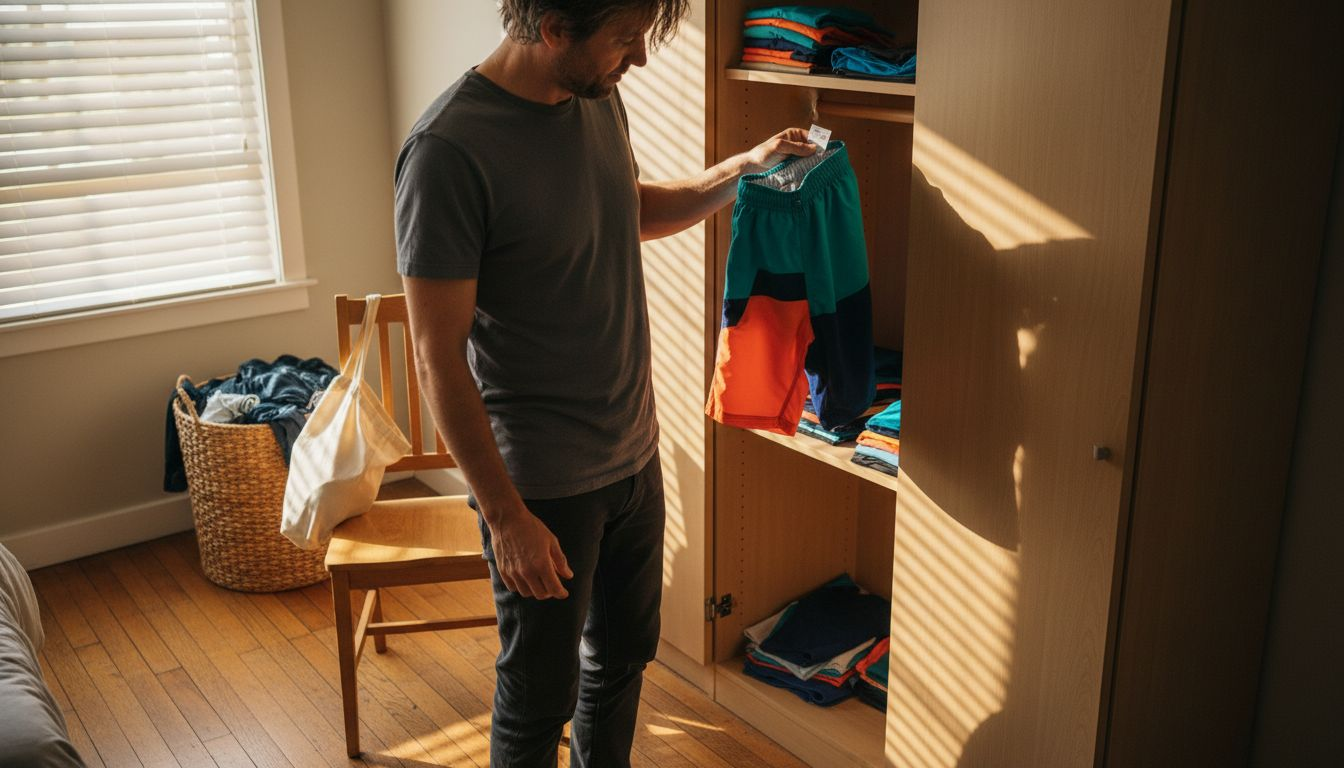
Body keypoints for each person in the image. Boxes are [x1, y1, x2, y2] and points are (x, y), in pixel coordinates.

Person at [394, 1, 815, 765]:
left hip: (633, 456)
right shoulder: (448, 152)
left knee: (621, 662)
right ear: (555, 29)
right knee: (538, 700)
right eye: (625, 40)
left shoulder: (595, 93)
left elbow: (629, 206)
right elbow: (437, 357)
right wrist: (506, 518)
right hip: (543, 488)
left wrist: (741, 170)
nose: (639, 59)